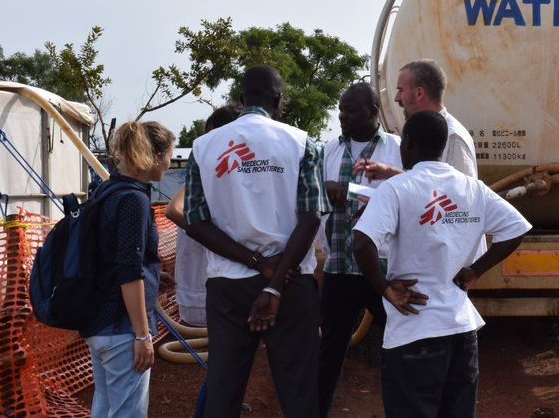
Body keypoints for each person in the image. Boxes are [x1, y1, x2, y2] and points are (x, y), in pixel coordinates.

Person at [352, 110, 532, 417]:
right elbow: (516, 228)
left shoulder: (397, 188)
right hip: (462, 332)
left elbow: (362, 242)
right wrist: (475, 270)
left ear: (407, 143)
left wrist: (385, 289)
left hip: (414, 331)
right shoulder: (471, 187)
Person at [184, 65, 328, 417]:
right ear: (278, 99)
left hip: (228, 287)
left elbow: (195, 222)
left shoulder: (204, 147)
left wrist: (255, 263)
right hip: (292, 284)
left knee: (223, 390)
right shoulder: (300, 141)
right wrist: (275, 282)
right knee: (299, 392)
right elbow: (311, 216)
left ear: (241, 99)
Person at [317, 83, 402, 418]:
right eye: (340, 110)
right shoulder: (328, 150)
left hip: (380, 270)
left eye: (350, 110)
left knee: (397, 347)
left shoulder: (395, 149)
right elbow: (312, 197)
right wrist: (326, 188)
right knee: (330, 352)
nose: (342, 116)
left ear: (372, 111)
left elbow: (408, 194)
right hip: (339, 267)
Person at [81, 120, 174, 418]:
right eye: (169, 155)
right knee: (127, 413)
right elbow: (129, 269)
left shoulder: (106, 191)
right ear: (155, 156)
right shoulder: (134, 199)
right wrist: (142, 336)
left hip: (98, 322)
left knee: (106, 406)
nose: (169, 164)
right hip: (122, 328)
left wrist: (156, 276)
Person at [165, 103, 241, 418]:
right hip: (210, 286)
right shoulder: (205, 174)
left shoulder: (228, 174)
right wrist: (213, 235)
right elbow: (173, 210)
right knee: (225, 368)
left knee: (229, 367)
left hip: (221, 285)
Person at [358, 59, 477, 179]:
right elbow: (432, 184)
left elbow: (462, 193)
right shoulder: (424, 131)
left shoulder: (453, 137)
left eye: (401, 90)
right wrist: (391, 173)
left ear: (419, 93)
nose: (396, 98)